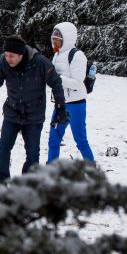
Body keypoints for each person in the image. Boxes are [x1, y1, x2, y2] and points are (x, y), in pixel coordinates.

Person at [0, 35, 66, 186]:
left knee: (33, 153)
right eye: (6, 55)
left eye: (12, 56)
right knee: (3, 148)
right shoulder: (4, 62)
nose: (8, 59)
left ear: (21, 55)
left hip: (33, 115)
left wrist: (60, 106)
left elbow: (56, 82)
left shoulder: (40, 63)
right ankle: (1, 181)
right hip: (12, 112)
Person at [47, 22, 95, 163]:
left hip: (76, 105)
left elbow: (77, 82)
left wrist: (56, 78)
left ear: (66, 39)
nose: (55, 43)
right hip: (60, 104)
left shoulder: (77, 56)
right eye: (53, 40)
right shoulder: (57, 55)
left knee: (81, 141)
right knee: (53, 140)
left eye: (58, 40)